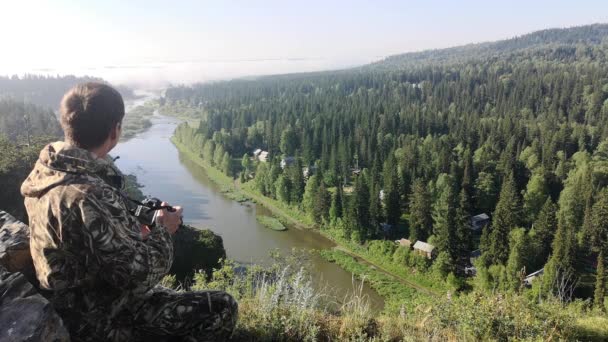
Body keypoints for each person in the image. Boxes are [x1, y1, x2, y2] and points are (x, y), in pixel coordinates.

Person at [20, 82, 238, 341]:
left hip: (68, 303)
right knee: (223, 306)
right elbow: (140, 277)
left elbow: (86, 244)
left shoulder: (47, 171)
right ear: (115, 130)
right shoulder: (89, 195)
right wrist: (164, 231)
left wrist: (133, 232)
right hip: (99, 319)